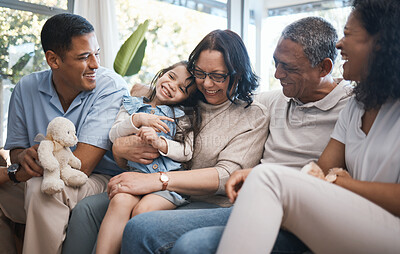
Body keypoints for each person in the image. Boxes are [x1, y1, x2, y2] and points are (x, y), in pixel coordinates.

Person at [119, 17, 352, 254]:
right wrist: (143, 94)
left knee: (174, 238)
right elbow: (229, 102)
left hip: (290, 210)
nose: (278, 74)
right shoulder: (281, 97)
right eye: (276, 62)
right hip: (255, 200)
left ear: (324, 68)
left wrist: (160, 180)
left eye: (288, 67)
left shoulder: (352, 107)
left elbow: (240, 117)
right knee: (111, 214)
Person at [62, 29, 270, 254]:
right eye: (200, 73)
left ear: (238, 74)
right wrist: (120, 149)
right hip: (155, 186)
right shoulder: (185, 100)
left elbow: (226, 176)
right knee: (86, 209)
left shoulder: (252, 115)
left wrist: (158, 180)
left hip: (209, 202)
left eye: (217, 76)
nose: (207, 84)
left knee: (143, 217)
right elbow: (142, 123)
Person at [217, 0, 400, 253]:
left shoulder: (353, 100)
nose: (339, 44)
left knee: (268, 177)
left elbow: (328, 180)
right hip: (355, 216)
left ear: (382, 43)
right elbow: (321, 172)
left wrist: (344, 184)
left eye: (348, 34)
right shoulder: (358, 104)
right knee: (265, 177)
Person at [0, 13, 128, 254]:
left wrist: (37, 166)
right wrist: (23, 158)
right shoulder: (26, 88)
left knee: (43, 190)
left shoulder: (110, 86)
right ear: (53, 60)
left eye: (96, 53)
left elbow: (83, 165)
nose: (95, 65)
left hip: (98, 180)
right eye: (83, 57)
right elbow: (15, 152)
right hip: (43, 175)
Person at [96, 61, 196, 254]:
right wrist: (136, 120)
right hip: (136, 179)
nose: (171, 85)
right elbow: (113, 135)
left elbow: (187, 151)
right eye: (171, 76)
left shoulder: (182, 116)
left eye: (182, 88)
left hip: (168, 186)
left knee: (144, 210)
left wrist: (161, 143)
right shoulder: (132, 105)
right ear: (161, 74)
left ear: (185, 98)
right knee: (119, 201)